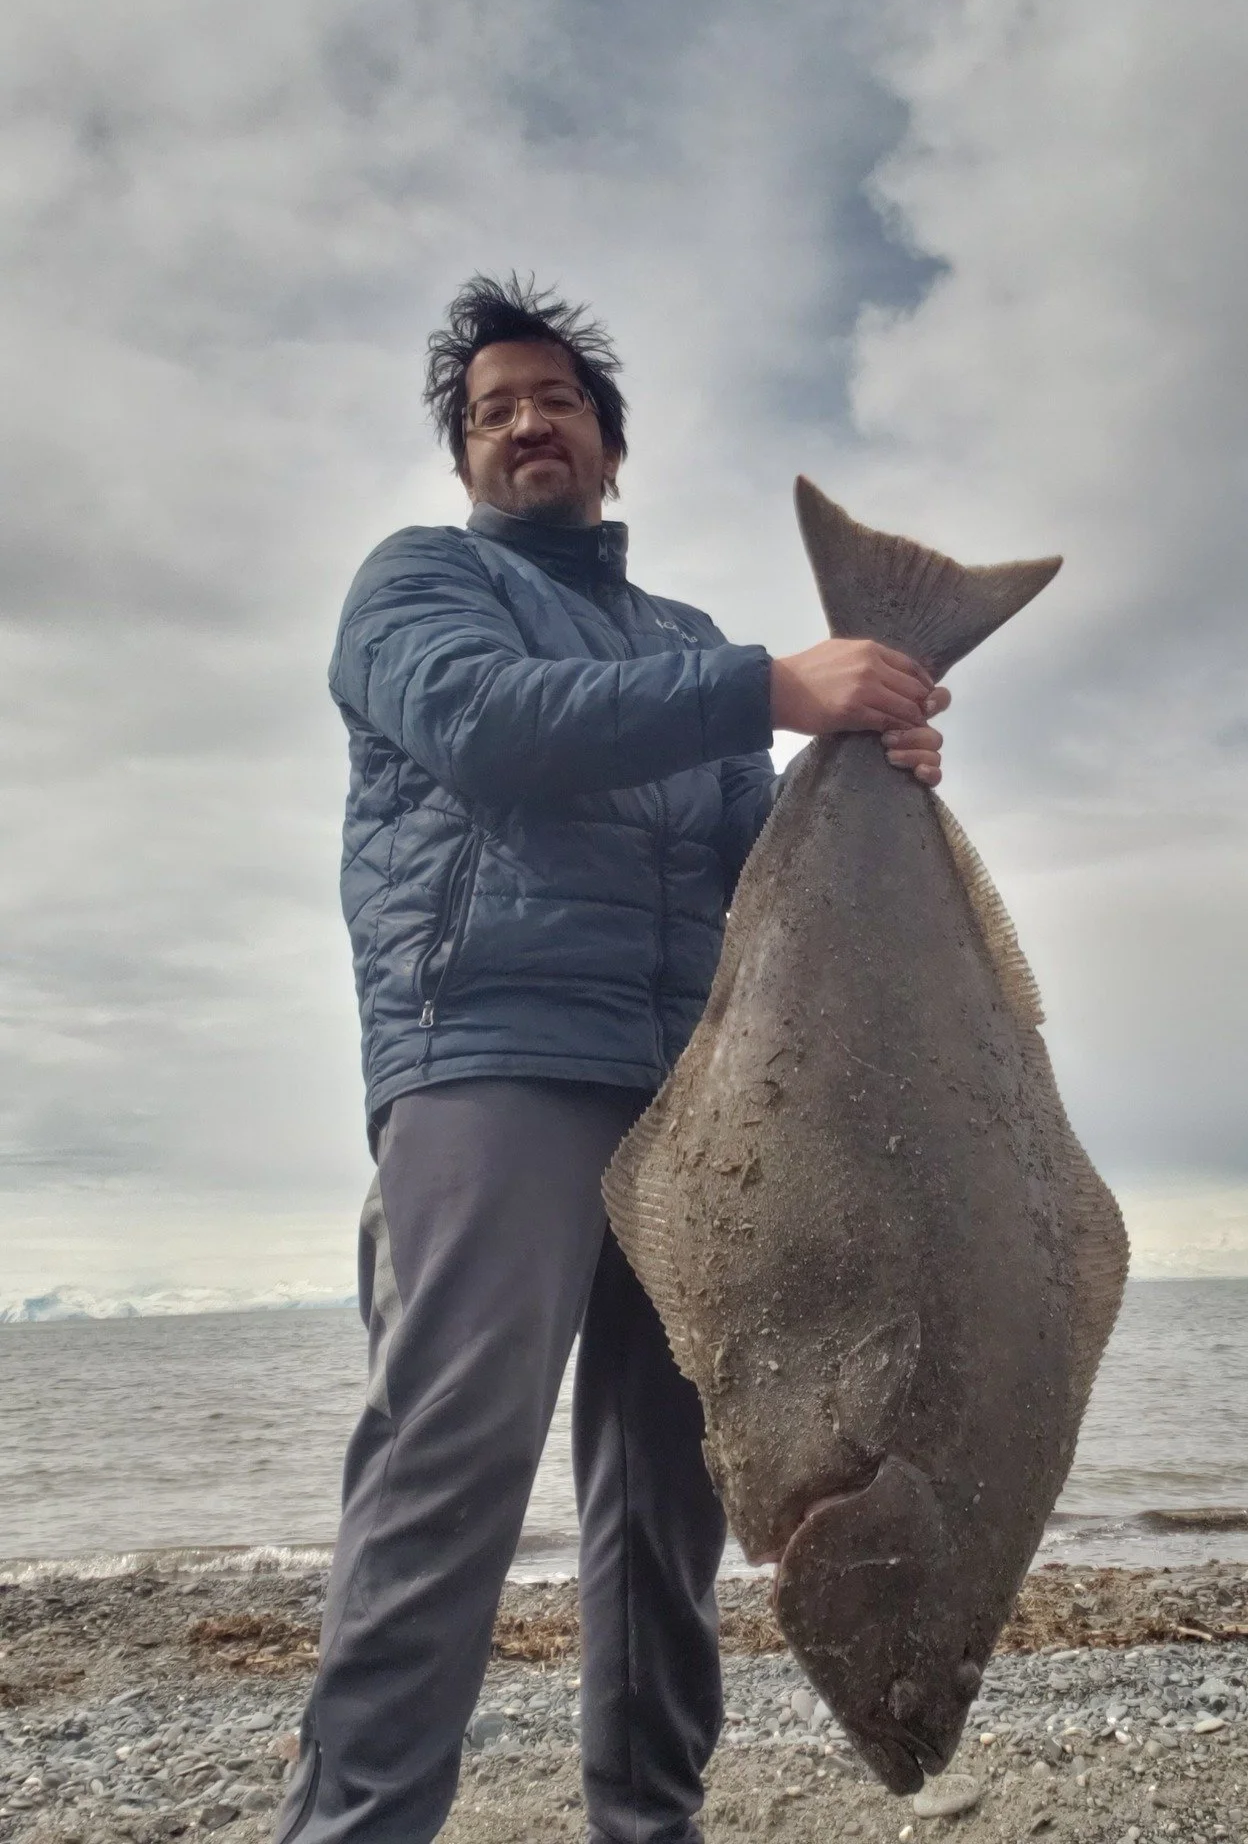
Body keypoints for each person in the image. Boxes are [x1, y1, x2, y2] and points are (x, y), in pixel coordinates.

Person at [274, 275, 948, 1844]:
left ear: (609, 449)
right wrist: (775, 687)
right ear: (465, 456)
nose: (527, 423)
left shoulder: (684, 645)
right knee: (450, 1465)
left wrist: (870, 762)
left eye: (556, 402)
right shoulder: (420, 586)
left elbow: (745, 857)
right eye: (494, 409)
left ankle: (651, 1826)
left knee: (669, 1503)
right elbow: (491, 724)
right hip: (493, 1054)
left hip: (696, 1103)